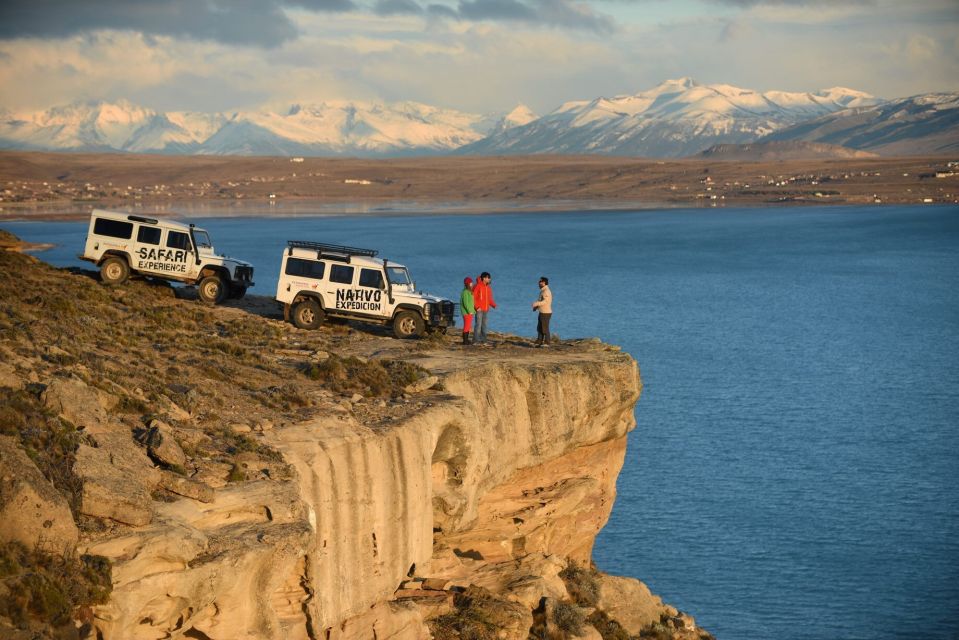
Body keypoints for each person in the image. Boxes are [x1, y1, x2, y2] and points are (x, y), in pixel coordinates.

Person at [472, 272, 496, 345]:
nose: (489, 279)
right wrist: (476, 307)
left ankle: (484, 340)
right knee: (478, 325)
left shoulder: (488, 288)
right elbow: (473, 297)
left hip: (486, 309)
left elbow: (489, 299)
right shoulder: (478, 286)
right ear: (484, 278)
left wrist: (494, 305)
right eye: (488, 278)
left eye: (489, 278)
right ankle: (475, 341)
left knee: (484, 325)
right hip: (479, 309)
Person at [532, 276, 552, 347]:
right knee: (539, 327)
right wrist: (536, 307)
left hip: (546, 313)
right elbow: (540, 300)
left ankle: (547, 342)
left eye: (540, 282)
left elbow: (545, 301)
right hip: (542, 312)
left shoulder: (546, 291)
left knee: (545, 328)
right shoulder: (543, 290)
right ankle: (539, 341)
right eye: (539, 282)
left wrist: (536, 304)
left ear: (544, 283)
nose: (538, 283)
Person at [460, 277, 475, 345]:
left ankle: (466, 340)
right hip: (466, 312)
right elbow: (465, 303)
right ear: (468, 284)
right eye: (471, 283)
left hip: (470, 312)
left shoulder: (469, 291)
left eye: (472, 283)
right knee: (466, 326)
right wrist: (469, 311)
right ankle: (465, 341)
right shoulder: (465, 292)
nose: (472, 284)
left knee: (468, 326)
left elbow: (471, 302)